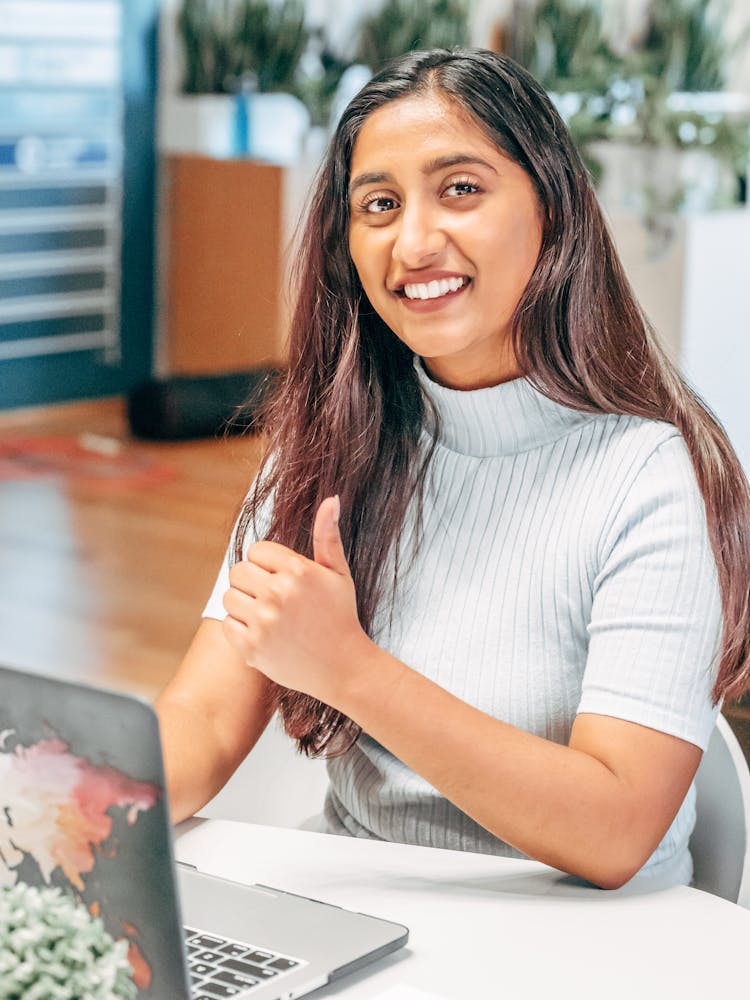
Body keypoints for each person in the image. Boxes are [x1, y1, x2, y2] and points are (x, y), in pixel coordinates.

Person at [155, 47, 750, 890]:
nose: (415, 241)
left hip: (594, 949)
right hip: (362, 913)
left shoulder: (648, 477)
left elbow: (615, 831)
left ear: (552, 209)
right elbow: (205, 721)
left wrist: (349, 670)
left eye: (460, 189)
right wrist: (72, 799)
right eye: (380, 204)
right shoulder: (326, 452)